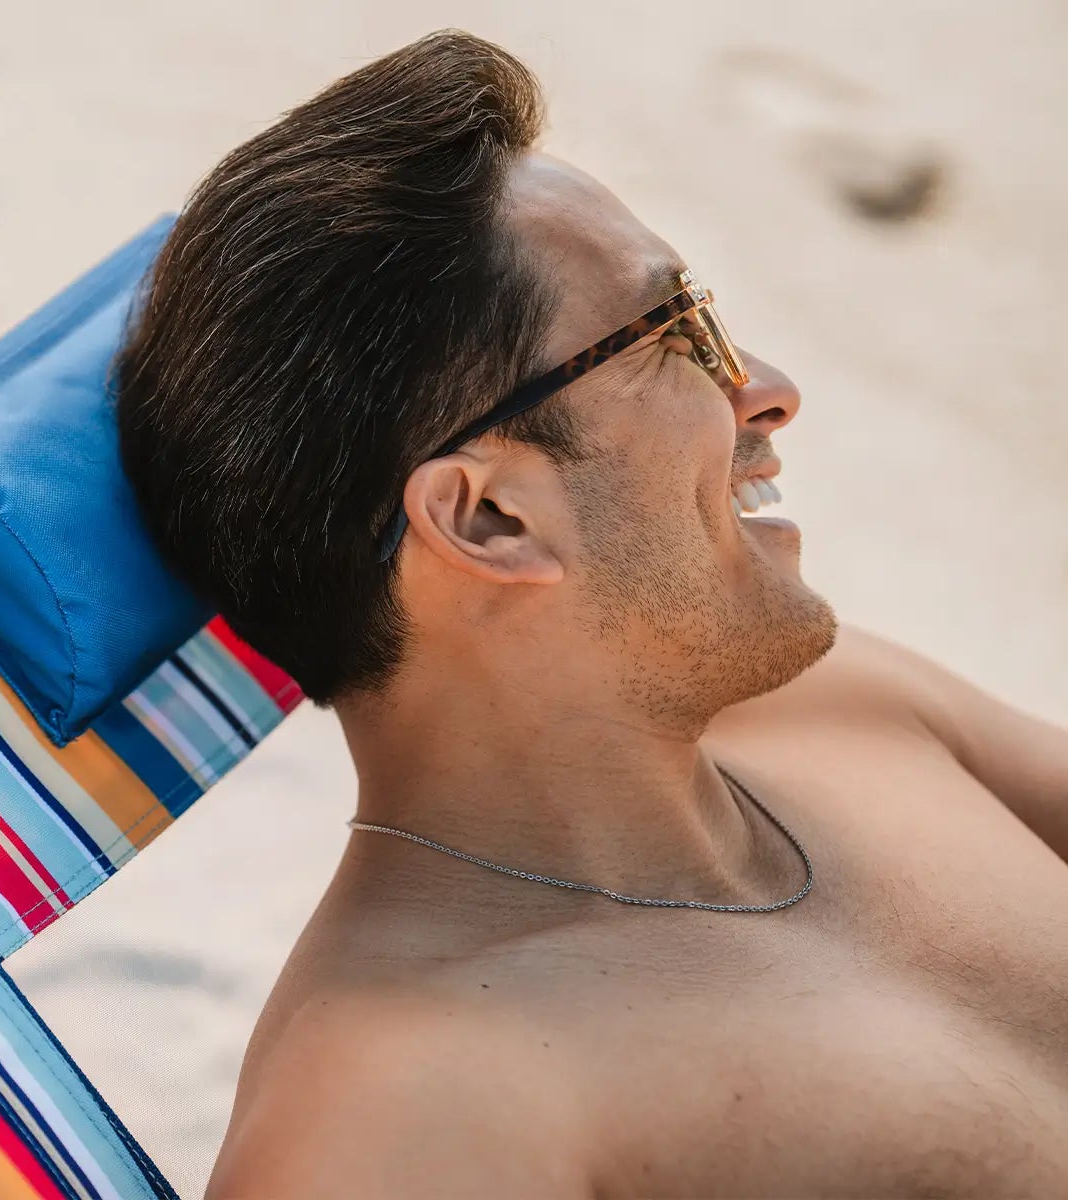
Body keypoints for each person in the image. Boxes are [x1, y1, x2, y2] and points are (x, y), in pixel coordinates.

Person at [116, 30, 1068, 1198]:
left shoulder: (842, 706)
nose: (765, 387)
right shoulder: (411, 1113)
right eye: (676, 336)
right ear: (489, 517)